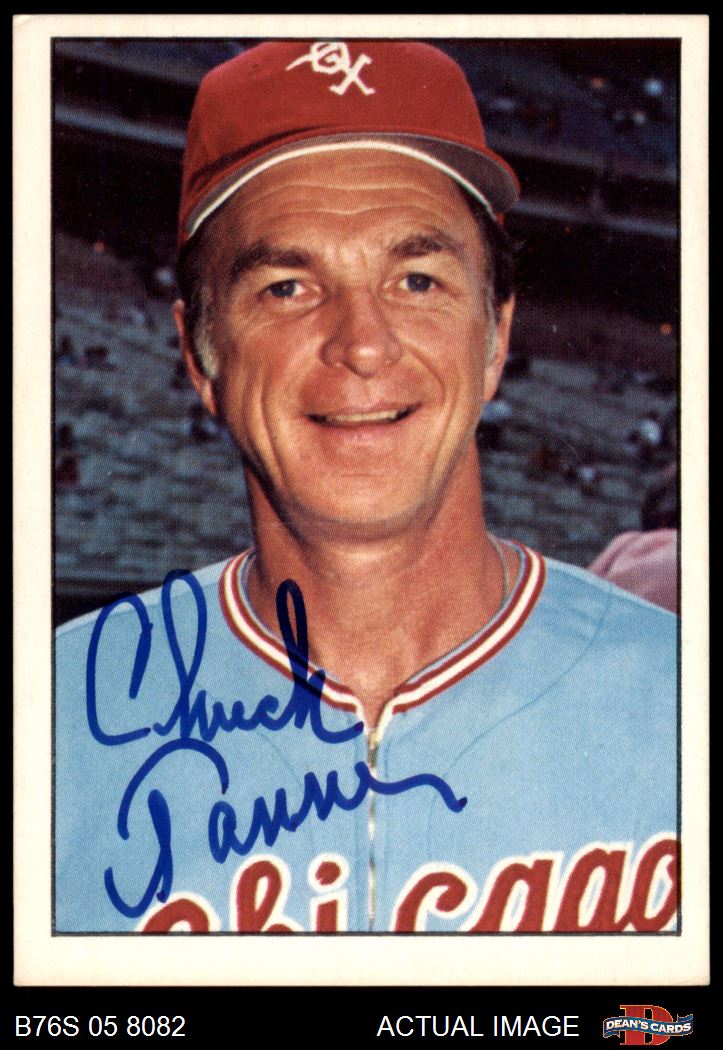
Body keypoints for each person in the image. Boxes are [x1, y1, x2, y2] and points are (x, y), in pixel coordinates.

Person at [55, 40, 678, 934]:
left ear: (495, 336)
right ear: (200, 354)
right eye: (286, 286)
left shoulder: (679, 698)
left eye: (417, 280)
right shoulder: (52, 723)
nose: (363, 343)